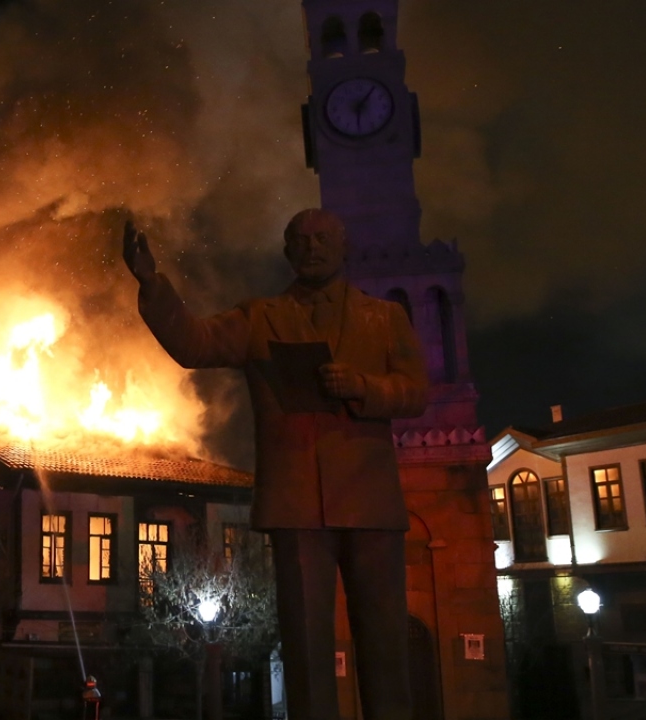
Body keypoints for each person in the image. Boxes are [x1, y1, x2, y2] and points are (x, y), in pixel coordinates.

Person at [122, 208, 428, 720]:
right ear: (288, 251)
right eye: (300, 239)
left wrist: (365, 388)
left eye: (322, 238)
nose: (312, 247)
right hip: (297, 505)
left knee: (385, 642)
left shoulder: (385, 319)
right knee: (306, 648)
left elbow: (416, 391)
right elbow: (193, 343)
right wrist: (153, 283)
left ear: (343, 246)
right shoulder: (259, 318)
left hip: (370, 502)